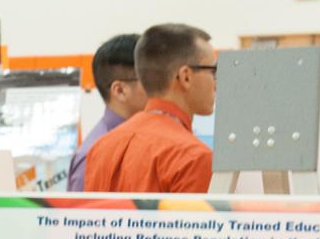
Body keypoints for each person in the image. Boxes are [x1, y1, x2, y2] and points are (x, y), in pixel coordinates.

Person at [84, 23, 215, 193]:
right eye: (213, 70)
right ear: (185, 77)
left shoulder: (100, 147)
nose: (216, 82)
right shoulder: (193, 157)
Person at [67, 33, 147, 191]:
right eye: (149, 81)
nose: (160, 89)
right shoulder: (91, 157)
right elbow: (79, 215)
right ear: (120, 90)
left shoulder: (144, 141)